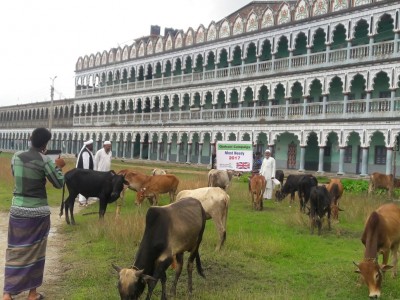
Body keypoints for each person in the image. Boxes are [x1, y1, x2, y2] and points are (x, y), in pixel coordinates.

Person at [3, 127, 65, 300]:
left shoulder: (16, 156)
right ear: (46, 143)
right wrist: (58, 167)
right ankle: (32, 293)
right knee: (37, 252)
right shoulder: (45, 160)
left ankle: (7, 293)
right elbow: (59, 183)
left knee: (15, 250)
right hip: (38, 212)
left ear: (30, 138)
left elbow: (16, 175)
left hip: (17, 210)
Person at [76, 139, 94, 206]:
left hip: (86, 174)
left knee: (86, 188)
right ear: (88, 145)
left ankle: (85, 201)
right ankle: (82, 201)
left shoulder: (88, 151)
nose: (92, 146)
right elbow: (85, 165)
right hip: (84, 174)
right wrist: (87, 174)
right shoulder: (85, 152)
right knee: (83, 187)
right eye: (92, 145)